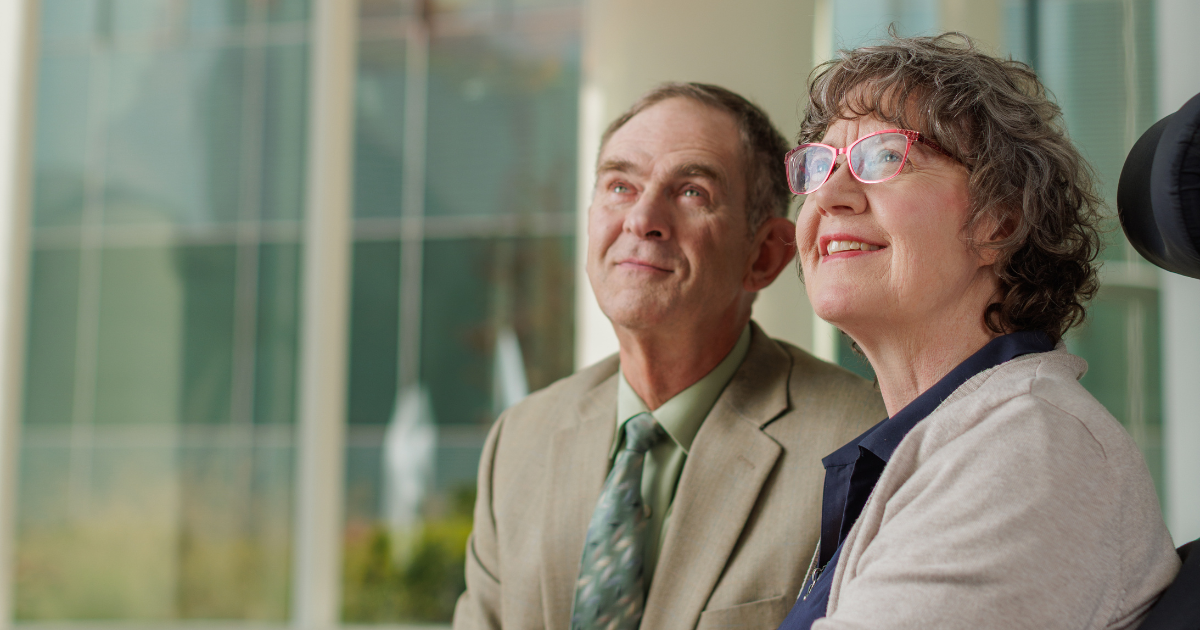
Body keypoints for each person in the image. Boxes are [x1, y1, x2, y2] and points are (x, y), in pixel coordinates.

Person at [775, 33, 1182, 630]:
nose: (830, 194)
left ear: (1000, 221)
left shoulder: (1029, 448)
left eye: (885, 156)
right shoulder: (955, 437)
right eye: (820, 163)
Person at [452, 83, 886, 630]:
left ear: (765, 255)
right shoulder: (519, 441)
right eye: (619, 185)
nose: (641, 219)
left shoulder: (862, 446)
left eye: (692, 193)